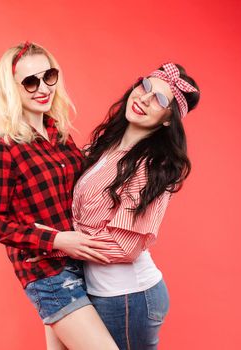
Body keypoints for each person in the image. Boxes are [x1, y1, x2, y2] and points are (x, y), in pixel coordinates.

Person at [38, 62, 200, 349]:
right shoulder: (103, 146)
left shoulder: (152, 165)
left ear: (167, 119)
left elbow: (125, 247)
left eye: (160, 100)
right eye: (145, 86)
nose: (144, 99)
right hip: (94, 290)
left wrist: (58, 243)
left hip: (128, 297)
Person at [0, 41, 119, 349]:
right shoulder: (2, 146)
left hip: (83, 266)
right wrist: (57, 240)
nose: (43, 88)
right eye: (30, 81)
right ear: (12, 88)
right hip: (48, 273)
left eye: (49, 76)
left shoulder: (62, 139)